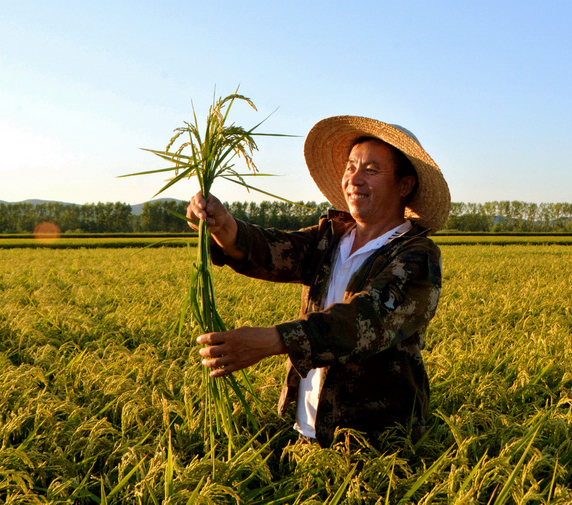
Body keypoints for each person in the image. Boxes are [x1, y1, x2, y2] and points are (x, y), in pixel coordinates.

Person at [187, 115, 450, 448]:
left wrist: (274, 340)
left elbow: (364, 321)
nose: (355, 179)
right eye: (351, 167)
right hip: (308, 429)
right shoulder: (330, 237)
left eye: (371, 170)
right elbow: (273, 250)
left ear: (404, 186)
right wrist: (223, 226)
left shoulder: (417, 257)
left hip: (375, 442)